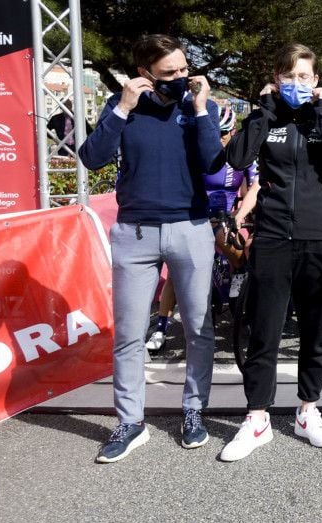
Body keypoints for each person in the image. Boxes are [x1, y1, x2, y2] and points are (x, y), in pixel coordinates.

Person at [78, 34, 222, 463]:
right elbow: (92, 157)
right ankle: (130, 421)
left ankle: (194, 411)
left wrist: (199, 110)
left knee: (199, 329)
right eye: (169, 73)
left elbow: (214, 163)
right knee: (128, 333)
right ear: (144, 74)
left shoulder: (199, 106)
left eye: (183, 69)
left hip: (191, 227)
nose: (180, 78)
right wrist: (121, 108)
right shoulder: (121, 105)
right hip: (135, 232)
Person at [217, 43, 322, 462]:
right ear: (276, 79)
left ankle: (307, 410)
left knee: (316, 330)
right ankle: (257, 418)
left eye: (303, 77)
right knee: (265, 329)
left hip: (318, 236)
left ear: (315, 81)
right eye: (288, 76)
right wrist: (262, 112)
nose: (296, 84)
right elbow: (238, 156)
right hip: (275, 236)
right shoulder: (266, 116)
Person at [146, 103, 258, 353]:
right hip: (196, 216)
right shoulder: (198, 153)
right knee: (176, 273)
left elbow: (253, 188)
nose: (219, 139)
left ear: (233, 132)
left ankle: (242, 301)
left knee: (243, 256)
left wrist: (244, 215)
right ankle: (161, 327)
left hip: (227, 217)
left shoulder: (242, 156)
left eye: (224, 133)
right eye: (215, 133)